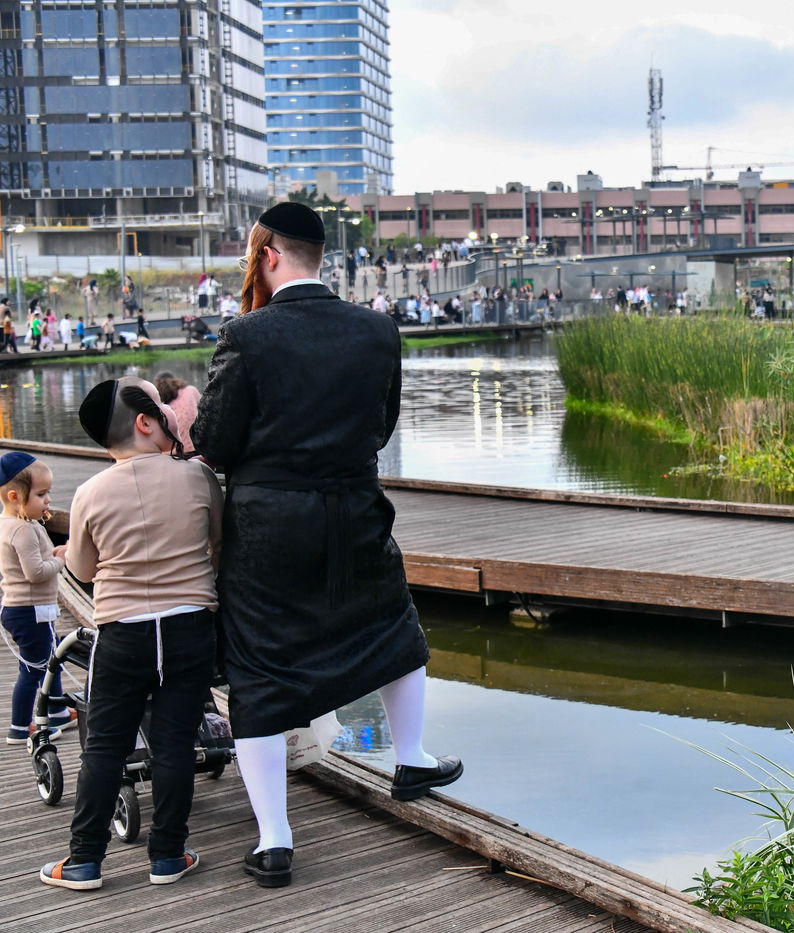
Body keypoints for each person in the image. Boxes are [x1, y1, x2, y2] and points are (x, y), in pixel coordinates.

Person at [191, 202, 458, 889]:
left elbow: (215, 443)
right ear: (320, 254)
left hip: (270, 522)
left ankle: (275, 839)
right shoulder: (377, 329)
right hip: (353, 507)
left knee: (259, 662)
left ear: (269, 254)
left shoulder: (246, 334)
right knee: (392, 626)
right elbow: (384, 423)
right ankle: (413, 756)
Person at [38, 378, 221, 890]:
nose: (169, 411)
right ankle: (167, 856)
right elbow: (217, 544)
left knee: (104, 748)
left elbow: (84, 568)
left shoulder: (90, 493)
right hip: (189, 628)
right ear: (145, 422)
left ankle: (83, 861)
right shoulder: (199, 478)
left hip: (123, 632)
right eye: (160, 405)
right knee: (176, 745)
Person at [0, 452, 72, 746]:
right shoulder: (22, 530)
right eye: (41, 494)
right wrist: (62, 560)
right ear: (16, 496)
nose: (48, 501)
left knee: (50, 657)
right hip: (29, 610)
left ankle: (55, 709)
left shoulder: (13, 523)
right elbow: (35, 573)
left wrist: (51, 554)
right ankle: (19, 726)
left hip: (31, 609)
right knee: (33, 669)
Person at [154, 371, 202, 453]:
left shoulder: (159, 402)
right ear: (175, 380)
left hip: (176, 452)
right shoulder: (191, 390)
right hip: (199, 446)